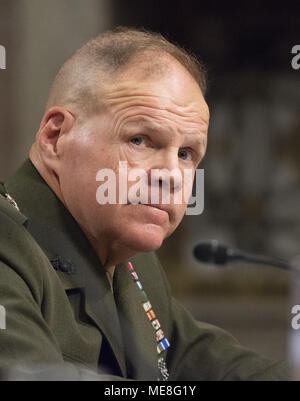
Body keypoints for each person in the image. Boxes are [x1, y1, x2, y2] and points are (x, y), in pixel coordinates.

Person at [0, 27, 287, 381]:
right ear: (55, 137)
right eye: (140, 140)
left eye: (186, 154)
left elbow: (213, 362)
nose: (171, 175)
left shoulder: (133, 262)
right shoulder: (8, 245)